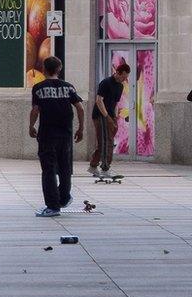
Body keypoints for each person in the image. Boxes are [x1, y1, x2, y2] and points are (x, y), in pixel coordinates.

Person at [30, 56, 84, 217]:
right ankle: (64, 197)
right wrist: (80, 128)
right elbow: (80, 108)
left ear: (44, 69)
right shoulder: (69, 88)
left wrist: (31, 125)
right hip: (65, 134)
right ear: (59, 69)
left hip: (47, 134)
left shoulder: (38, 88)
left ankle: (53, 206)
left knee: (48, 170)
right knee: (65, 167)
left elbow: (35, 110)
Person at [88, 63, 129, 178]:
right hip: (100, 115)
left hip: (110, 115)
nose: (125, 79)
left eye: (126, 77)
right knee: (107, 142)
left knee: (103, 142)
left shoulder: (120, 86)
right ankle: (105, 168)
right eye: (123, 77)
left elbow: (115, 103)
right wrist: (107, 117)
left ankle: (93, 166)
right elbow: (99, 100)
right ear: (117, 73)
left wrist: (115, 118)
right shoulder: (106, 83)